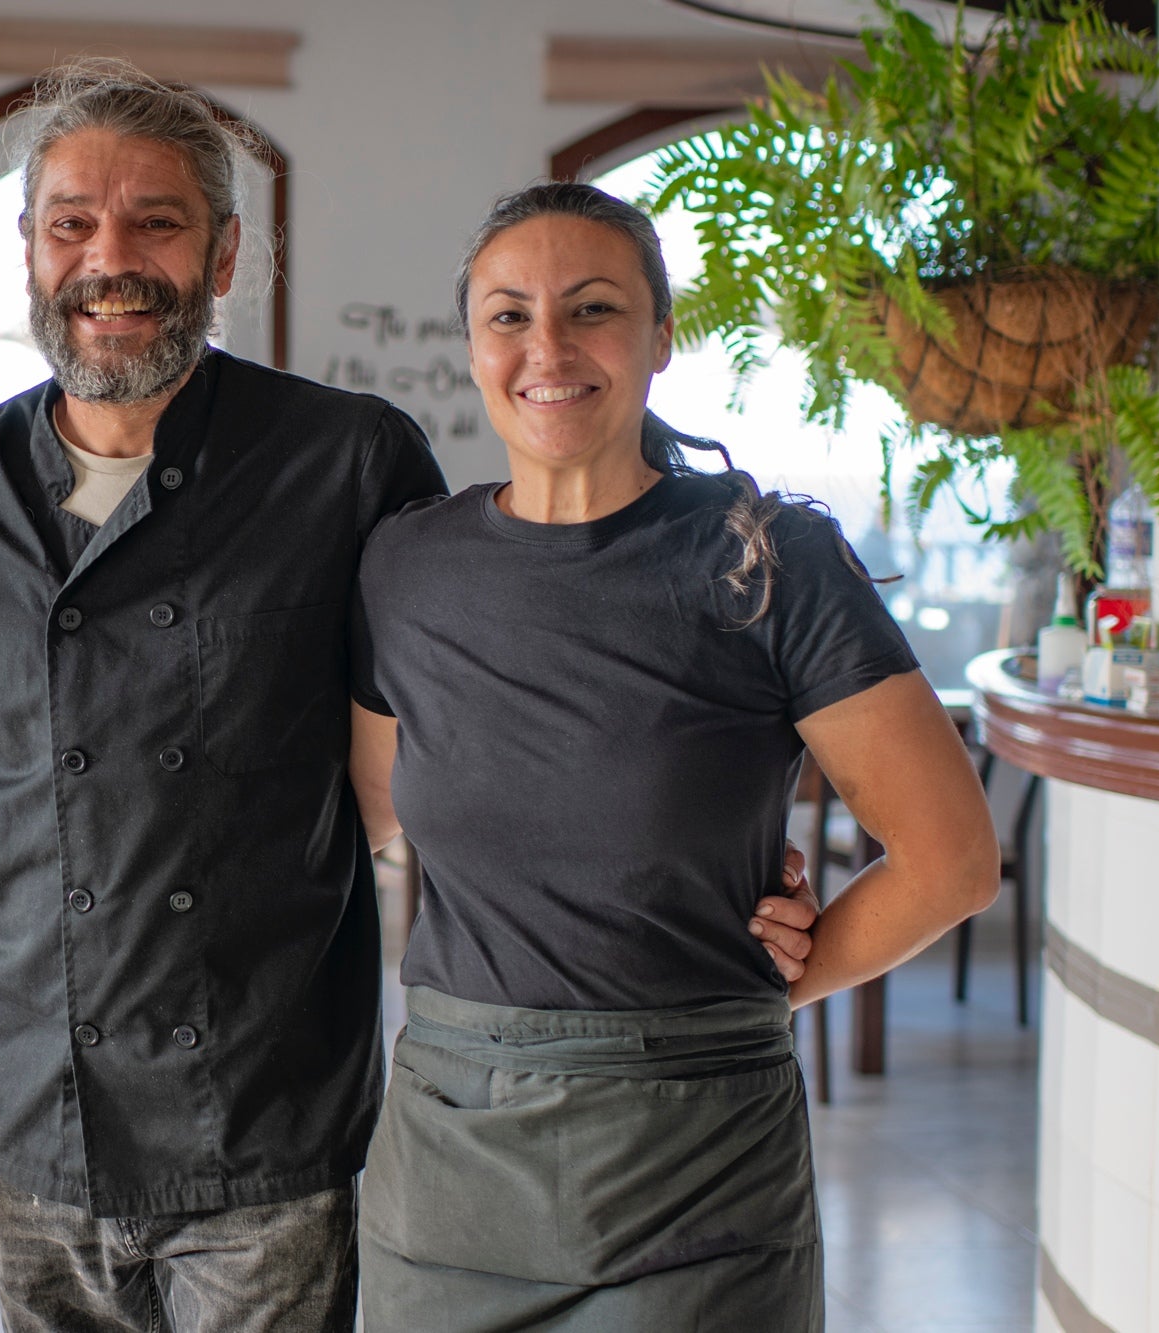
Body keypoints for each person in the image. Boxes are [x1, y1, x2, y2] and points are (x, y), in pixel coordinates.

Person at [0, 65, 820, 1332]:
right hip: (35, 1104)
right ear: (27, 248)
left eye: (157, 220)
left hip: (269, 1108)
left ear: (225, 252)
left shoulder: (346, 460)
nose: (111, 258)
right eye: (71, 222)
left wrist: (697, 853)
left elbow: (481, 716)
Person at [347, 181, 1001, 1330]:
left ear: (657, 337)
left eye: (590, 309)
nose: (546, 347)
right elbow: (362, 815)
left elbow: (947, 858)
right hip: (450, 1153)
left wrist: (779, 978)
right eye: (507, 315)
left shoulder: (764, 558)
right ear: (470, 346)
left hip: (695, 1158)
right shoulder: (403, 568)